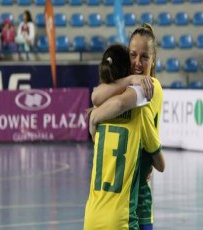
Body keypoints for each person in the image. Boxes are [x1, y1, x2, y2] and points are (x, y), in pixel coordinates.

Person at [84, 44, 165, 230]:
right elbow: (160, 165)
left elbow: (97, 95)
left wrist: (94, 116)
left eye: (143, 56)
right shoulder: (140, 108)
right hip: (123, 218)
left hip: (91, 216)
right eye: (133, 56)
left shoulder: (99, 110)